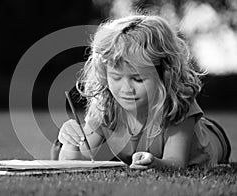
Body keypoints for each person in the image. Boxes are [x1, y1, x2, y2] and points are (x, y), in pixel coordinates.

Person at [54, 14, 231, 169]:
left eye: (138, 79)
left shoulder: (176, 104)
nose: (126, 89)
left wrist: (155, 163)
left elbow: (176, 162)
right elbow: (80, 159)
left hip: (212, 141)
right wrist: (70, 142)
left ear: (164, 74)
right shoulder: (105, 105)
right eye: (116, 78)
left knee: (211, 140)